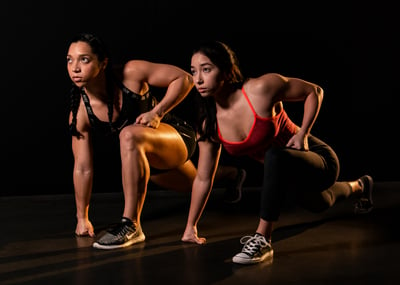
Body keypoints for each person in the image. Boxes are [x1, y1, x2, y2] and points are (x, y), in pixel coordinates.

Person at [181, 40, 374, 265]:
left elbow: (314, 91)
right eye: (193, 71)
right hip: (286, 179)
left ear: (226, 71)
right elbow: (204, 178)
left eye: (206, 69)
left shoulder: (259, 89)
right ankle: (361, 186)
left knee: (275, 155)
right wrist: (190, 227)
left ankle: (262, 239)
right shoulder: (208, 124)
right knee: (321, 203)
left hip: (319, 160)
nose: (198, 79)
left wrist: (302, 134)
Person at [67, 32, 198, 249]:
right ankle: (231, 175)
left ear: (103, 63)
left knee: (128, 134)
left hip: (177, 137)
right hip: (148, 162)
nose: (75, 67)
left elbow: (184, 78)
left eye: (84, 59)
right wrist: (82, 218)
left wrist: (157, 112)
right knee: (198, 185)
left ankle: (131, 225)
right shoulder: (79, 112)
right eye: (70, 60)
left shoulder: (131, 72)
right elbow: (82, 167)